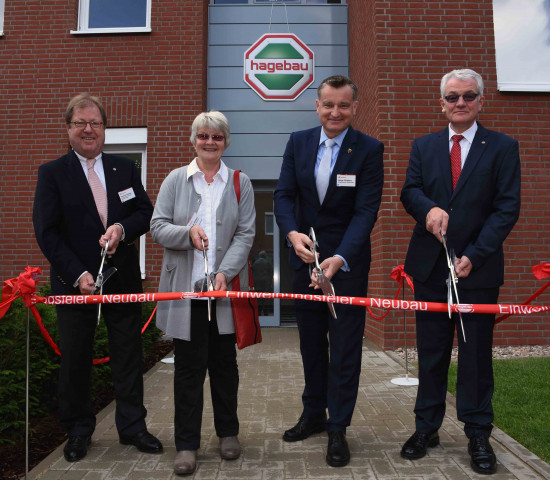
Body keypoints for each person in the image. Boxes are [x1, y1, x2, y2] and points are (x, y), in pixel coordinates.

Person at [400, 69, 521, 475]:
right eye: (452, 97)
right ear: (442, 103)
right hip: (430, 269)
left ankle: (478, 435)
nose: (460, 103)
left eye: (469, 96)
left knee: (474, 357)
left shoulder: (502, 147)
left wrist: (475, 254)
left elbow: (507, 208)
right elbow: (409, 191)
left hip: (478, 271)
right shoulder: (424, 146)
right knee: (430, 354)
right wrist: (428, 208)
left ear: (481, 101)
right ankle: (426, 428)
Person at [32, 93, 162, 462]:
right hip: (75, 283)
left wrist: (121, 227)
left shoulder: (125, 168)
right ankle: (77, 430)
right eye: (80, 123)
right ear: (68, 128)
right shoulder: (53, 173)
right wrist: (78, 273)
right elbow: (47, 232)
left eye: (96, 123)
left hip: (122, 279)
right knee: (75, 357)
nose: (89, 130)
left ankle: (133, 427)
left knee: (128, 355)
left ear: (105, 128)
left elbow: (144, 213)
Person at [273, 75, 384, 467]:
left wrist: (339, 259)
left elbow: (366, 211)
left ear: (355, 108)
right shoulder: (298, 142)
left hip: (347, 267)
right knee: (310, 344)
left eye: (343, 105)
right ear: (317, 106)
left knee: (345, 349)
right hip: (303, 262)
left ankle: (338, 427)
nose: (335, 112)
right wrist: (291, 234)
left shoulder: (369, 149)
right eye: (328, 104)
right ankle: (313, 414)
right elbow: (284, 195)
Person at [150, 111, 256, 475]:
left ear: (226, 142)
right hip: (186, 295)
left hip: (223, 295)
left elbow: (245, 233)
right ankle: (186, 445)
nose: (210, 143)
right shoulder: (176, 179)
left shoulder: (240, 182)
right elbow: (157, 226)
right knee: (189, 370)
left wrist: (226, 272)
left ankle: (228, 434)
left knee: (225, 367)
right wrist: (188, 233)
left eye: (217, 137)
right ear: (193, 139)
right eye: (204, 136)